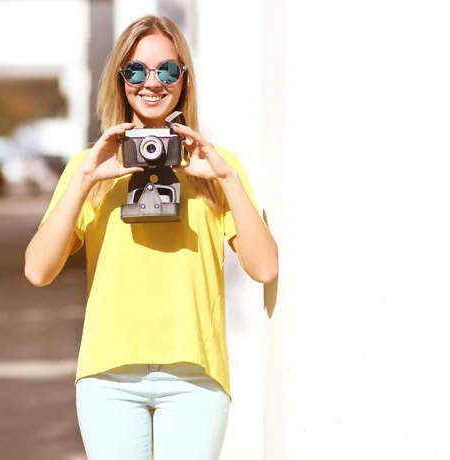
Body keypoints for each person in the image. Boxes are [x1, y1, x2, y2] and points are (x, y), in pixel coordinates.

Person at [24, 14, 278, 460]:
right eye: (136, 70)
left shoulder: (217, 166)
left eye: (168, 70)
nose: (152, 83)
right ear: (120, 80)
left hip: (195, 376)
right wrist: (85, 179)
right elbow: (38, 270)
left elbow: (265, 267)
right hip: (108, 377)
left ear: (185, 78)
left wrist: (225, 179)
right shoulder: (92, 167)